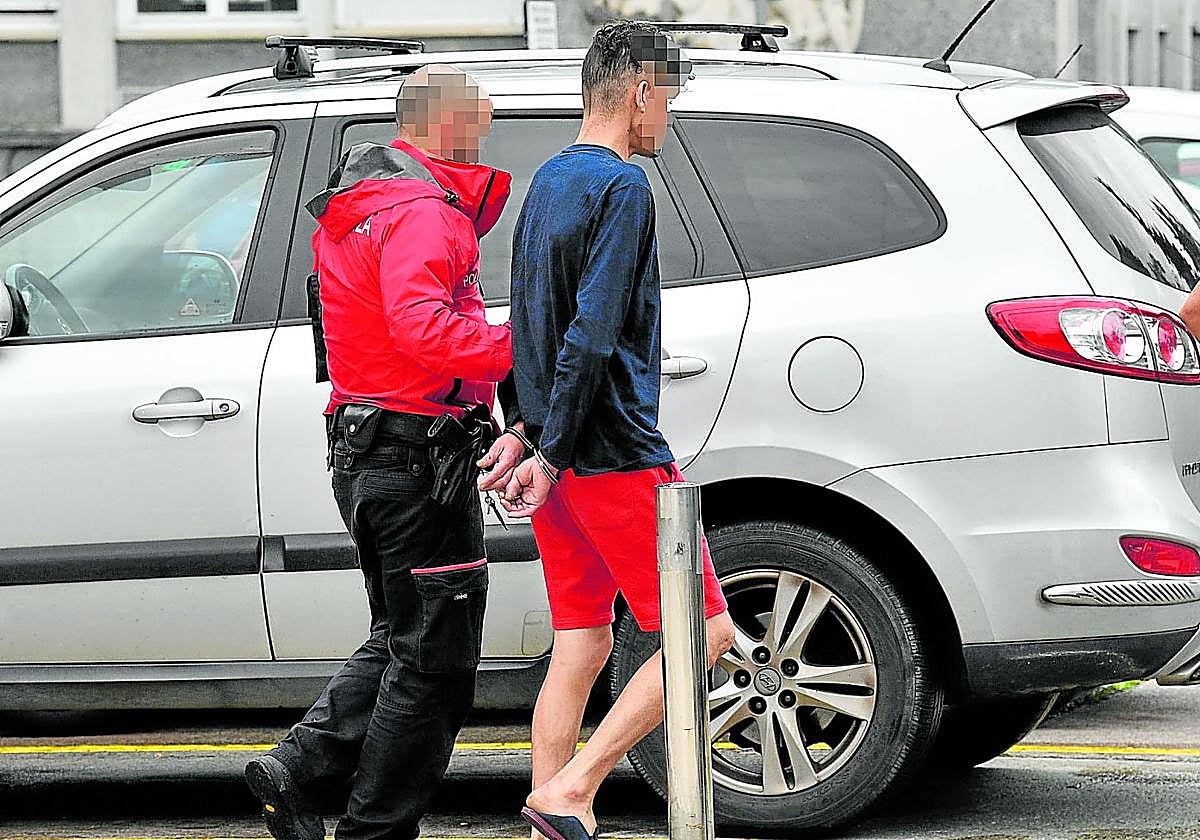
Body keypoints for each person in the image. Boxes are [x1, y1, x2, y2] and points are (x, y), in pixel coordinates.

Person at [245, 65, 528, 840]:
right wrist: (524, 342)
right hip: (418, 457)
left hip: (366, 450)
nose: (487, 129)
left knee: (402, 639)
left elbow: (364, 336)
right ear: (445, 122)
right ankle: (368, 829)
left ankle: (300, 767)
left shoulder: (355, 210)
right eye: (481, 116)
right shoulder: (424, 214)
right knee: (435, 665)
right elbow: (425, 330)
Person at [488, 21, 736, 840]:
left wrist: (526, 432)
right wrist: (555, 450)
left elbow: (525, 322)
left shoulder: (547, 180)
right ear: (639, 92)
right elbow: (591, 333)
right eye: (668, 97)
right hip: (612, 454)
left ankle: (546, 820)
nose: (668, 115)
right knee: (707, 630)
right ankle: (575, 788)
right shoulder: (624, 187)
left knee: (582, 644)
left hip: (556, 457)